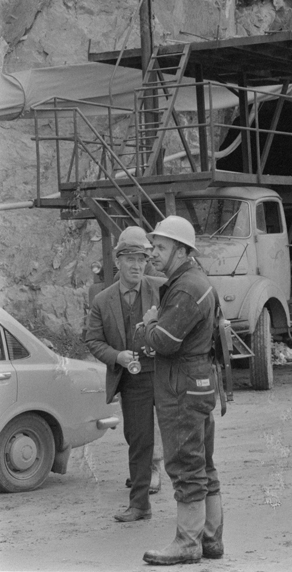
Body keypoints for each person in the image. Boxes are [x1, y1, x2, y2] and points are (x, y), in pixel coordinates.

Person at [139, 215, 224, 566]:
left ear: (180, 249)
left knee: (186, 464)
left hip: (182, 387)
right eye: (153, 246)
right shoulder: (193, 281)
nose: (152, 253)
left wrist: (148, 325)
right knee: (204, 464)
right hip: (197, 383)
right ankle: (210, 539)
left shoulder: (187, 287)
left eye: (160, 247)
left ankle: (188, 542)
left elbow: (166, 341)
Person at [85, 226, 163, 522]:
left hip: (166, 374)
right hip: (132, 380)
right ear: (117, 262)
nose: (136, 265)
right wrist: (117, 356)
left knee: (182, 437)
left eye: (142, 259)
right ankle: (140, 504)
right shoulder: (102, 300)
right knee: (138, 439)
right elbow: (93, 341)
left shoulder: (162, 288)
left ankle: (192, 503)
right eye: (129, 259)